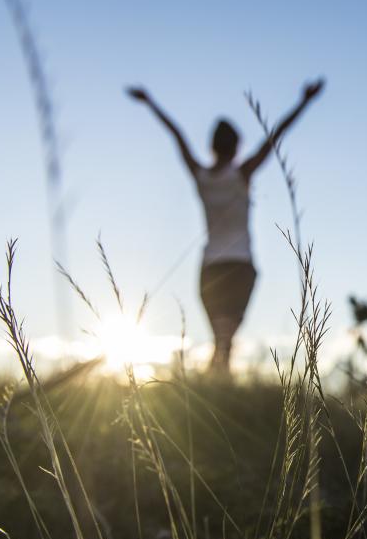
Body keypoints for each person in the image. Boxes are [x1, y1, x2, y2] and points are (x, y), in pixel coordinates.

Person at [127, 78, 325, 373]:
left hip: (210, 267)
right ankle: (218, 385)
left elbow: (177, 135)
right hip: (241, 266)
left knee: (222, 339)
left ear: (212, 146)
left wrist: (150, 102)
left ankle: (216, 383)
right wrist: (304, 101)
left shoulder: (201, 176)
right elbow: (275, 135)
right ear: (236, 148)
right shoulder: (242, 174)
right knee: (224, 340)